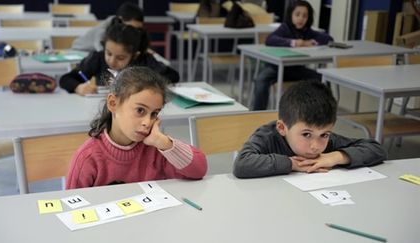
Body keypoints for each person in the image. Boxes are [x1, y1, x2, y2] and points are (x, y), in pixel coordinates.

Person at [66, 66, 208, 189]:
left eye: (154, 114)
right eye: (140, 110)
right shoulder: (88, 157)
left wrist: (164, 143)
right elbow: (72, 205)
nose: (147, 122)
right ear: (113, 103)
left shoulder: (157, 148)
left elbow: (199, 170)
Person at [233, 81, 387, 178]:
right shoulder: (267, 137)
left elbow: (377, 149)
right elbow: (241, 164)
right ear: (282, 128)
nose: (316, 146)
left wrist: (335, 157)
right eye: (306, 134)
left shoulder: (328, 142)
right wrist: (291, 164)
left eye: (324, 134)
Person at [60, 18, 179, 96]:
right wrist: (78, 87)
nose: (112, 61)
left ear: (134, 55)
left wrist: (145, 84)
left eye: (120, 58)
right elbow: (65, 79)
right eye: (109, 53)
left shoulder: (144, 60)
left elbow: (173, 76)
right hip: (102, 112)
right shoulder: (98, 58)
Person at [252, 0, 333, 110]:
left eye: (305, 16)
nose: (301, 18)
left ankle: (324, 113)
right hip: (275, 68)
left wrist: (312, 42)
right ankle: (257, 114)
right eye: (297, 14)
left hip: (296, 69)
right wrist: (295, 43)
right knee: (261, 80)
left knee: (324, 79)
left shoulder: (307, 31)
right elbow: (270, 39)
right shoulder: (285, 28)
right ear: (291, 15)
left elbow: (328, 39)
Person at [71, 2, 144, 52]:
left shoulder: (120, 26)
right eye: (131, 28)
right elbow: (102, 51)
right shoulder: (103, 31)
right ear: (121, 20)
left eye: (138, 29)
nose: (134, 32)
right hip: (80, 51)